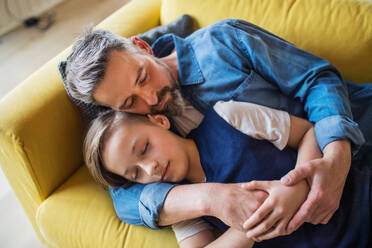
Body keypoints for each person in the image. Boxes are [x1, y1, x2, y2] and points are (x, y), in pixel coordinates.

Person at [64, 19, 371, 239]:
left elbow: (316, 79)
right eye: (130, 101)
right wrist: (210, 198)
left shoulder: (223, 43)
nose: (149, 99)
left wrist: (336, 155)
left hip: (359, 130)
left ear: (143, 47)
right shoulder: (147, 140)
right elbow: (125, 196)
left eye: (143, 77)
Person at [83, 100, 371, 248]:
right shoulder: (180, 204)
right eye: (135, 174)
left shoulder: (228, 115)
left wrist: (295, 184)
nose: (151, 169)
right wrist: (252, 223)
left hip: (358, 206)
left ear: (159, 121)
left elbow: (308, 131)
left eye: (145, 148)